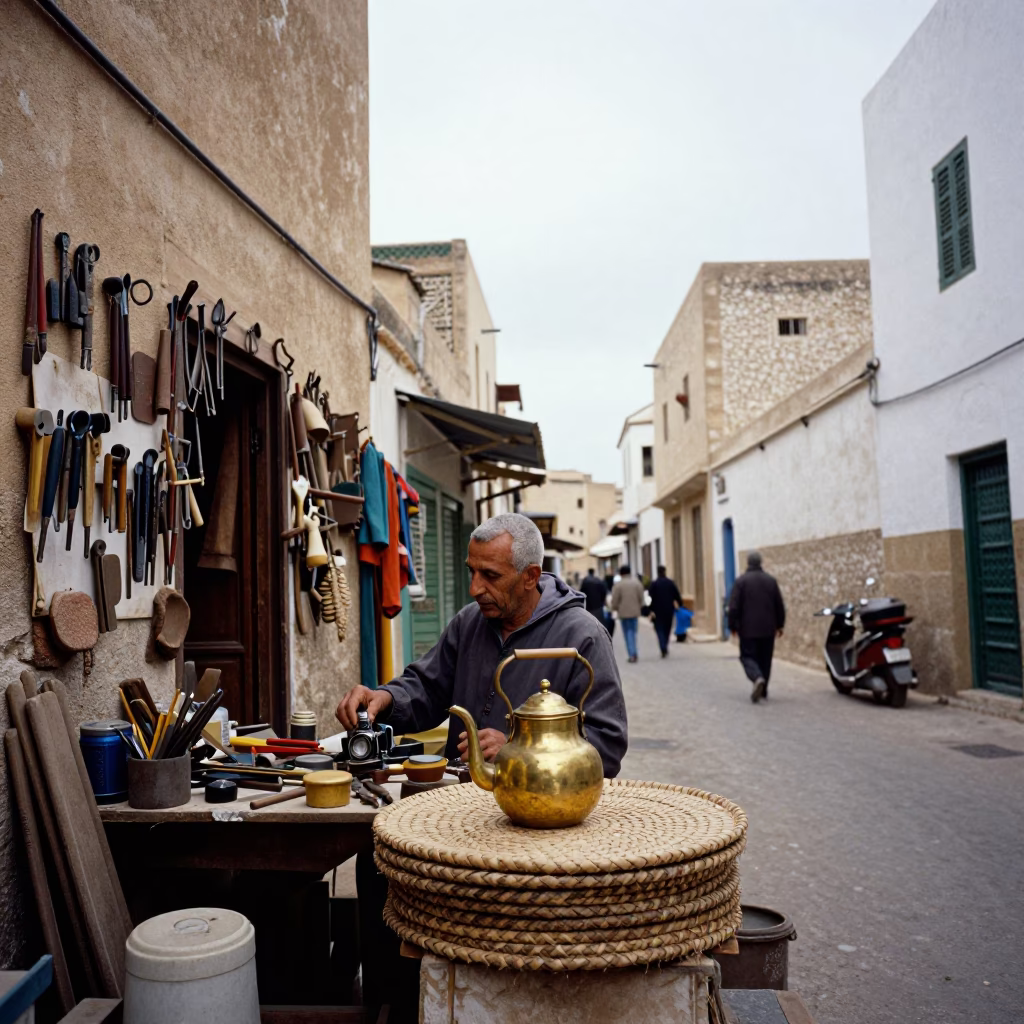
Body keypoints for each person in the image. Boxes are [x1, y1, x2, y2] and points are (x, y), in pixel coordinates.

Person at [336, 512, 628, 776]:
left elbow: (607, 744)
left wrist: (522, 752)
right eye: (471, 572)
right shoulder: (469, 622)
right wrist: (385, 699)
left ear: (530, 576)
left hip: (542, 815)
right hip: (462, 805)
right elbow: (428, 687)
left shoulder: (583, 637)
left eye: (490, 575)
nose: (474, 588)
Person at [727, 551, 786, 703]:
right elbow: (779, 605)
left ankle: (757, 677)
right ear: (760, 562)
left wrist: (732, 625)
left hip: (747, 630)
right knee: (765, 659)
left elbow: (733, 607)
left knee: (747, 657)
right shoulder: (771, 581)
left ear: (748, 563)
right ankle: (764, 689)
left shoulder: (741, 582)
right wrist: (780, 625)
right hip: (768, 629)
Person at [610, 564, 646, 664]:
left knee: (627, 634)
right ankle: (634, 652)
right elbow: (641, 599)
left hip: (624, 613)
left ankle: (632, 654)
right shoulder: (637, 583)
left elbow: (615, 600)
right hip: (635, 613)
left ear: (621, 573)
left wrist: (614, 608)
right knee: (633, 633)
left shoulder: (618, 585)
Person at [647, 565, 682, 657]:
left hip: (657, 611)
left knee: (659, 630)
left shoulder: (654, 584)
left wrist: (649, 610)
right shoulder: (670, 583)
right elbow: (677, 595)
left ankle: (663, 646)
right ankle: (664, 645)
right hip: (669, 610)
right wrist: (680, 604)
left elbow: (649, 598)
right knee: (667, 629)